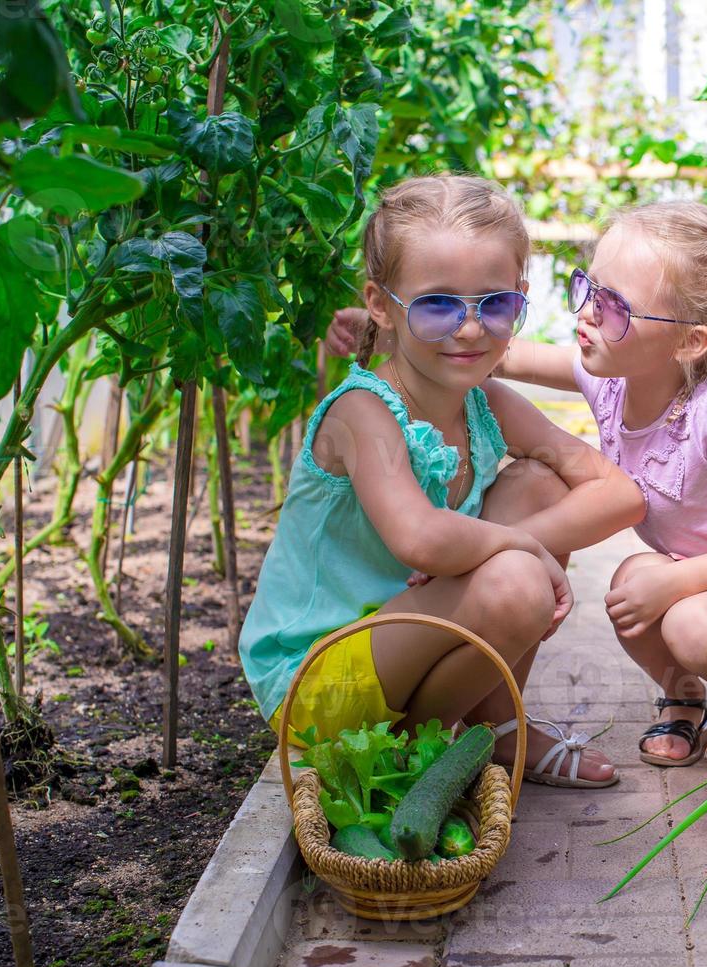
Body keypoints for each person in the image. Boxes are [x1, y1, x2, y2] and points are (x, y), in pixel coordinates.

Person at [326, 201, 707, 768]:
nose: (588, 315)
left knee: (689, 623)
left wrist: (680, 583)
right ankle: (685, 697)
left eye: (615, 307)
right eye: (589, 289)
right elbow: (498, 354)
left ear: (690, 343)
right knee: (629, 590)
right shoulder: (615, 379)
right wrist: (391, 332)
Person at [241, 175, 644, 789]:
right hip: (321, 679)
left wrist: (518, 541)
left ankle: (495, 731)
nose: (470, 329)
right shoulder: (364, 413)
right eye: (437, 306)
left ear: (520, 298)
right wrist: (521, 551)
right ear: (381, 305)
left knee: (539, 486)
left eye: (496, 304)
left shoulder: (486, 402)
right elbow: (420, 541)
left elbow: (621, 493)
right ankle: (415, 757)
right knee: (516, 583)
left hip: (405, 633)